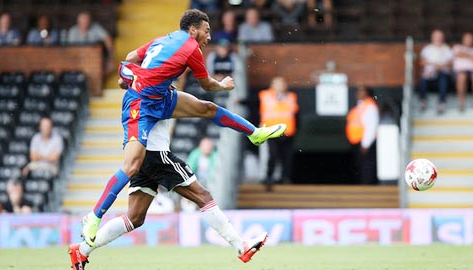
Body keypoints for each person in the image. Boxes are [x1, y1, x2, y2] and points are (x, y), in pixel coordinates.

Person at [80, 9, 285, 248]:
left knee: (207, 109)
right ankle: (93, 217)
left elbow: (131, 55)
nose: (209, 37)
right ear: (193, 30)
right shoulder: (190, 48)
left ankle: (255, 133)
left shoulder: (164, 38)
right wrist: (224, 85)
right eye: (206, 31)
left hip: (161, 98)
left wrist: (129, 77)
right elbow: (207, 85)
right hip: (142, 104)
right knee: (132, 164)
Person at [68, 120, 268, 270]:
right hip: (157, 155)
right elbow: (208, 109)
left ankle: (82, 250)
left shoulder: (136, 89)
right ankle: (239, 245)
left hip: (138, 155)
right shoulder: (160, 88)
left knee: (135, 217)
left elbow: (126, 76)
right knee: (203, 195)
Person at [259, 77, 299, 186]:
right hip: (271, 132)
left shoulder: (291, 97)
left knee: (287, 157)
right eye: (278, 84)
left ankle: (284, 178)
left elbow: (296, 114)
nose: (281, 86)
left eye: (282, 83)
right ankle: (269, 177)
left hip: (287, 132)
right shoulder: (265, 96)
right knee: (272, 155)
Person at [345, 86, 379, 185]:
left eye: (361, 91)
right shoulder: (360, 106)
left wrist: (365, 144)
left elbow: (371, 126)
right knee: (360, 166)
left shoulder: (370, 106)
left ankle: (367, 185)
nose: (358, 93)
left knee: (367, 166)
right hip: (356, 141)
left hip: (365, 143)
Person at [418, 29, 452, 114]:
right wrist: (434, 66)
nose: (438, 39)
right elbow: (422, 62)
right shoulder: (427, 49)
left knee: (442, 77)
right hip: (429, 75)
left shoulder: (447, 49)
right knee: (423, 77)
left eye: (440, 37)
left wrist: (436, 67)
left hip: (442, 75)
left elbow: (450, 64)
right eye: (436, 37)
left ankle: (442, 103)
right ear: (432, 38)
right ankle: (422, 101)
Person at [452, 32, 473, 111]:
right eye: (467, 38)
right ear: (463, 39)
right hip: (459, 72)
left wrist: (465, 55)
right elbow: (458, 54)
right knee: (462, 76)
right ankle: (461, 103)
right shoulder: (457, 47)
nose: (469, 40)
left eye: (470, 39)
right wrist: (471, 56)